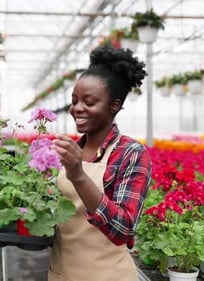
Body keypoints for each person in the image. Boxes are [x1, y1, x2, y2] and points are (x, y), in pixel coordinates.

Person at [50, 45, 152, 281]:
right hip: (60, 274)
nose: (77, 108)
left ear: (114, 105)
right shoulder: (69, 150)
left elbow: (123, 229)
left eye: (89, 101)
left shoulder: (132, 154)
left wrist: (78, 175)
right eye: (74, 101)